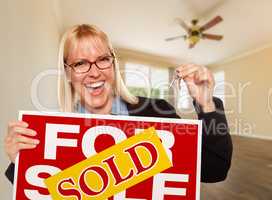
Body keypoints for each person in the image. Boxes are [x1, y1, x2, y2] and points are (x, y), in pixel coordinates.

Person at [4, 24, 232, 184]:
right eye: (81, 63)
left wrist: (207, 103)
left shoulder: (157, 111)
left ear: (113, 63)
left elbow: (215, 169)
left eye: (103, 59)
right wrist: (21, 162)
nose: (94, 73)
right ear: (68, 72)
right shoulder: (51, 133)